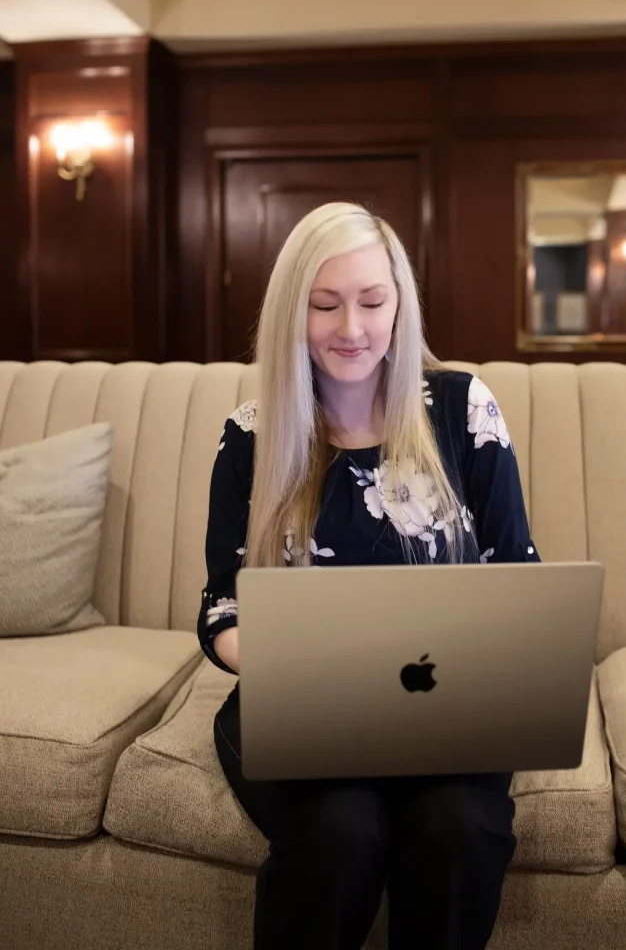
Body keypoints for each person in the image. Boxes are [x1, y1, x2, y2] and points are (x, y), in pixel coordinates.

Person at [197, 202, 541, 950]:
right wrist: (290, 664)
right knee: (341, 832)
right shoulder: (250, 437)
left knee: (459, 827)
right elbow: (223, 610)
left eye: (372, 301)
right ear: (294, 310)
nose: (350, 328)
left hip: (451, 711)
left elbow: (517, 573)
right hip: (300, 710)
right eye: (324, 305)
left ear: (400, 305)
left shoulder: (462, 407)